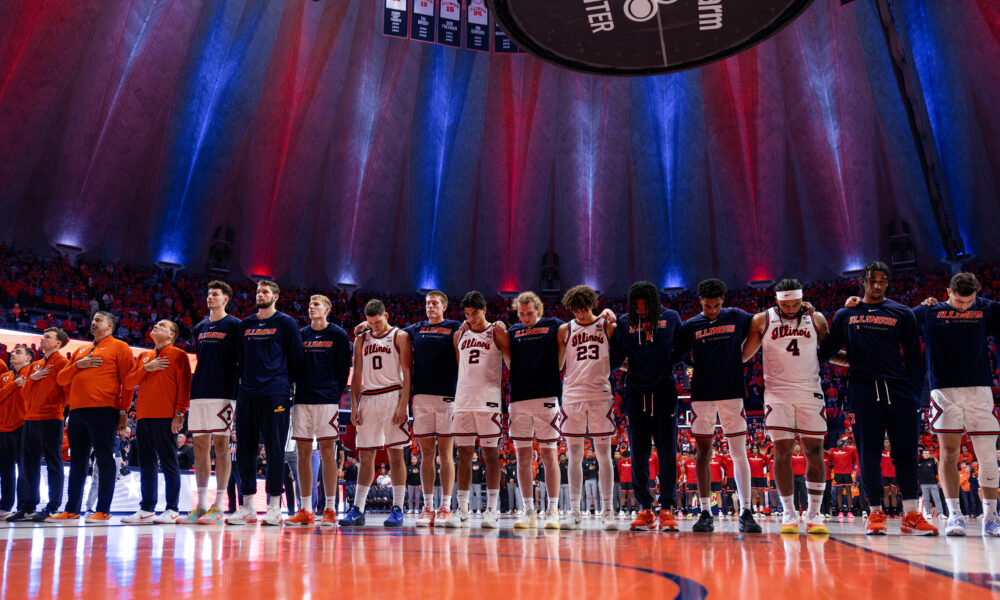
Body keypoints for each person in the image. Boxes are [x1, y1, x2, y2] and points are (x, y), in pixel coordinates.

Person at [819, 262, 938, 535]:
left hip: (900, 392)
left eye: (882, 280)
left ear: (888, 283)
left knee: (906, 455)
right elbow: (826, 351)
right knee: (869, 456)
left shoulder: (902, 313)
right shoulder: (846, 314)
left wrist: (913, 392)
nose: (877, 284)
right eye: (872, 280)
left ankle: (910, 514)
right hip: (863, 390)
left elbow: (914, 358)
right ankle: (874, 514)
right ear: (863, 281)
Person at [911, 273, 1000, 537]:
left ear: (977, 294)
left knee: (986, 456)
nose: (963, 306)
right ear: (946, 291)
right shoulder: (930, 311)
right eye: (958, 301)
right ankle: (954, 516)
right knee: (948, 454)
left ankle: (991, 518)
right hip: (943, 391)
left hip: (980, 389)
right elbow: (897, 319)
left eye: (968, 302)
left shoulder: (985, 308)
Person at [743, 279, 831, 534]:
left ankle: (814, 514)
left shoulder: (817, 319)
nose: (791, 309)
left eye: (795, 304)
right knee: (782, 453)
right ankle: (789, 514)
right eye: (786, 304)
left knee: (814, 452)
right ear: (776, 300)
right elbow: (746, 355)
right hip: (777, 393)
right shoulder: (761, 320)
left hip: (810, 391)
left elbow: (828, 352)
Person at [676, 278, 761, 534]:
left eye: (716, 305)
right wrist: (692, 364)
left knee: (738, 452)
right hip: (701, 394)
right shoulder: (690, 325)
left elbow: (760, 322)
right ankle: (704, 512)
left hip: (732, 393)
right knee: (703, 454)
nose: (712, 310)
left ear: (723, 301)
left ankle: (746, 512)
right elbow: (679, 354)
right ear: (700, 301)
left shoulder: (736, 316)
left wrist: (744, 355)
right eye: (707, 305)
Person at [228, 281, 303, 526]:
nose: (260, 295)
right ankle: (247, 506)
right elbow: (239, 358)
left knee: (274, 449)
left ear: (276, 296)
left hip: (275, 392)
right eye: (258, 291)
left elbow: (296, 359)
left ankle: (273, 506)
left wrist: (282, 383)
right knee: (245, 450)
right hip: (248, 392)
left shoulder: (286, 323)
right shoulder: (245, 324)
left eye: (265, 292)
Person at [49, 312, 134, 524]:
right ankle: (72, 510)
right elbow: (61, 379)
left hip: (104, 410)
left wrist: (123, 413)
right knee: (77, 461)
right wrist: (79, 365)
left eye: (98, 320)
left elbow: (129, 383)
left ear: (110, 326)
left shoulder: (120, 347)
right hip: (77, 411)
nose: (93, 322)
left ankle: (103, 510)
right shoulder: (81, 350)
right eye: (93, 319)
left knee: (104, 459)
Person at [612, 282, 683, 532]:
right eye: (637, 308)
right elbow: (615, 356)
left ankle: (666, 508)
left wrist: (663, 366)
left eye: (645, 308)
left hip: (664, 393)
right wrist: (631, 367)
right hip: (635, 394)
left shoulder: (671, 317)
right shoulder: (623, 321)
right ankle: (644, 509)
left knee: (667, 454)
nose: (640, 312)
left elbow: (682, 349)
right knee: (638, 454)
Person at [509, 291, 580, 529]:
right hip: (518, 399)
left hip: (547, 397)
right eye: (521, 313)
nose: (526, 317)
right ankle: (528, 510)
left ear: (538, 310)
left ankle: (553, 510)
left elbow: (579, 324)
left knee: (549, 456)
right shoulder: (512, 331)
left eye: (530, 313)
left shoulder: (553, 325)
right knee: (523, 458)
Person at [339, 300, 412, 527]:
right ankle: (358, 509)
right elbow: (357, 373)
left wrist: (403, 404)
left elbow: (408, 373)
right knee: (366, 456)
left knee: (395, 455)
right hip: (369, 398)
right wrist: (354, 404)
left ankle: (398, 508)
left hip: (393, 395)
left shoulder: (400, 336)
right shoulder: (362, 337)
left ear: (386, 315)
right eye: (371, 323)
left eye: (378, 322)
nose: (375, 327)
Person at [556, 285, 620, 530]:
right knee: (573, 455)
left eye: (584, 309)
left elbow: (619, 348)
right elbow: (559, 364)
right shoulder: (565, 328)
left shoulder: (606, 325)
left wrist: (610, 311)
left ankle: (608, 512)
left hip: (599, 395)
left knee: (603, 455)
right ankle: (574, 512)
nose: (580, 314)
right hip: (572, 395)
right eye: (576, 310)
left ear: (592, 305)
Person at [285, 295, 351, 528]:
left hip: (327, 400)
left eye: (316, 305)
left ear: (327, 309)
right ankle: (305, 509)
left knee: (327, 453)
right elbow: (294, 366)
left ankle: (330, 509)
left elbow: (343, 370)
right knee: (303, 453)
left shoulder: (338, 335)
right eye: (310, 304)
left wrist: (333, 394)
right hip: (302, 399)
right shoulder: (301, 335)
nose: (311, 308)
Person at [445, 291, 509, 529]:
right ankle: (462, 509)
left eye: (475, 313)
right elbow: (461, 367)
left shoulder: (497, 332)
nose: (471, 318)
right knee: (463, 456)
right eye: (467, 314)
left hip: (488, 401)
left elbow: (510, 362)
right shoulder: (459, 335)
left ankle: (492, 510)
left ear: (484, 310)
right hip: (462, 400)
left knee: (490, 456)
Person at [121, 320, 192, 524]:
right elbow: (128, 383)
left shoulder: (179, 355)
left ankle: (172, 509)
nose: (155, 326)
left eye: (162, 325)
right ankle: (147, 509)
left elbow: (185, 386)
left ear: (171, 335)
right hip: (143, 418)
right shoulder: (144, 356)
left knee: (169, 463)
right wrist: (147, 368)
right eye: (156, 324)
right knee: (147, 464)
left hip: (166, 417)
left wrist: (180, 413)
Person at [181, 281, 240, 526]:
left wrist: (237, 394)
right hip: (200, 392)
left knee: (221, 445)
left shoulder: (235, 325)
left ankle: (218, 506)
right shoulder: (200, 326)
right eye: (208, 293)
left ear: (226, 299)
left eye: (215, 294)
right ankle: (202, 505)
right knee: (200, 447)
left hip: (224, 392)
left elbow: (240, 361)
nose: (210, 297)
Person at [403, 291, 461, 528]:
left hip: (447, 396)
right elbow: (388, 331)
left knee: (445, 454)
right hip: (422, 397)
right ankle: (428, 507)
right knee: (426, 454)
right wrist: (367, 324)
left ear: (444, 307)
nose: (430, 306)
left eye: (435, 303)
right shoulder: (415, 329)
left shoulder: (455, 327)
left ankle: (446, 507)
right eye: (427, 303)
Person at [11, 328, 70, 522]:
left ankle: (53, 507)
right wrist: (32, 380)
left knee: (53, 462)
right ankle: (28, 506)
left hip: (51, 418)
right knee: (28, 465)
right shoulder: (35, 366)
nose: (42, 339)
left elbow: (68, 393)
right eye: (43, 336)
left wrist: (56, 407)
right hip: (30, 419)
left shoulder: (63, 363)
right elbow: (25, 393)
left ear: (58, 343)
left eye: (47, 337)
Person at [0, 346, 33, 520]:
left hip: (23, 426)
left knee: (24, 469)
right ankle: (5, 506)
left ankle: (24, 507)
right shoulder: (4, 376)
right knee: (5, 470)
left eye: (18, 352)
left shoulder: (33, 375)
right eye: (12, 352)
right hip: (3, 427)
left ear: (28, 359)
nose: (12, 354)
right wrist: (14, 385)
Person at [917, 449, 943, 518]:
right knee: (926, 499)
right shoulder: (919, 462)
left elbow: (937, 472)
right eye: (925, 453)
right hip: (923, 484)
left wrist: (939, 481)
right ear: (922, 454)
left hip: (933, 483)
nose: (927, 454)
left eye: (928, 453)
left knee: (937, 499)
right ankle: (928, 513)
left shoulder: (933, 461)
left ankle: (940, 513)